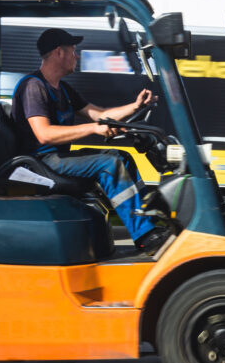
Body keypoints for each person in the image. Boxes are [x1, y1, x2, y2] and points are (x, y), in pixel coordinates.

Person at [11, 27, 168, 253]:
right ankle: (145, 235)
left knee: (121, 156)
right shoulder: (33, 86)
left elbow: (100, 115)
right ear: (59, 52)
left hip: (57, 157)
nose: (76, 56)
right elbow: (44, 134)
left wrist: (135, 106)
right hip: (40, 160)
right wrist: (94, 128)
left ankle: (151, 222)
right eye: (73, 50)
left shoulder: (63, 90)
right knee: (109, 164)